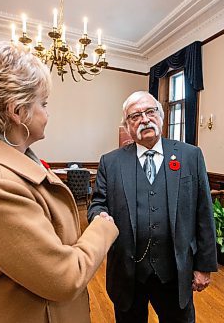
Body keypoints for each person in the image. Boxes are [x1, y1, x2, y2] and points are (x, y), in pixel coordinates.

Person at [0, 41, 118, 323]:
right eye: (43, 103)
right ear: (18, 111)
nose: (47, 113)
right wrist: (101, 227)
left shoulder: (10, 163)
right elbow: (64, 277)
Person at [88, 91, 217, 323]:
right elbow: (98, 203)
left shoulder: (190, 156)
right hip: (128, 273)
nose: (144, 119)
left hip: (175, 273)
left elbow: (204, 213)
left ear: (161, 116)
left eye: (150, 112)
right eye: (135, 116)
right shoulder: (111, 162)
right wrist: (100, 215)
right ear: (127, 125)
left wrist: (204, 266)